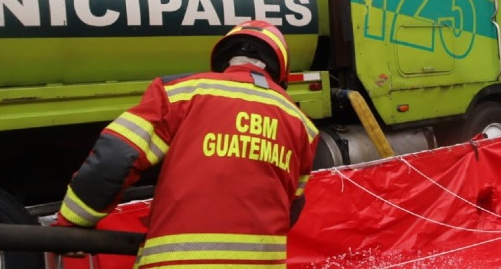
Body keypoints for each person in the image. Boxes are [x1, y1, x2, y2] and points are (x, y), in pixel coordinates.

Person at [53, 20, 319, 267]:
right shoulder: (301, 125)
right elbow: (291, 207)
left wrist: (74, 222)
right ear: (279, 70)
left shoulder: (180, 93)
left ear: (224, 59)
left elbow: (117, 155)